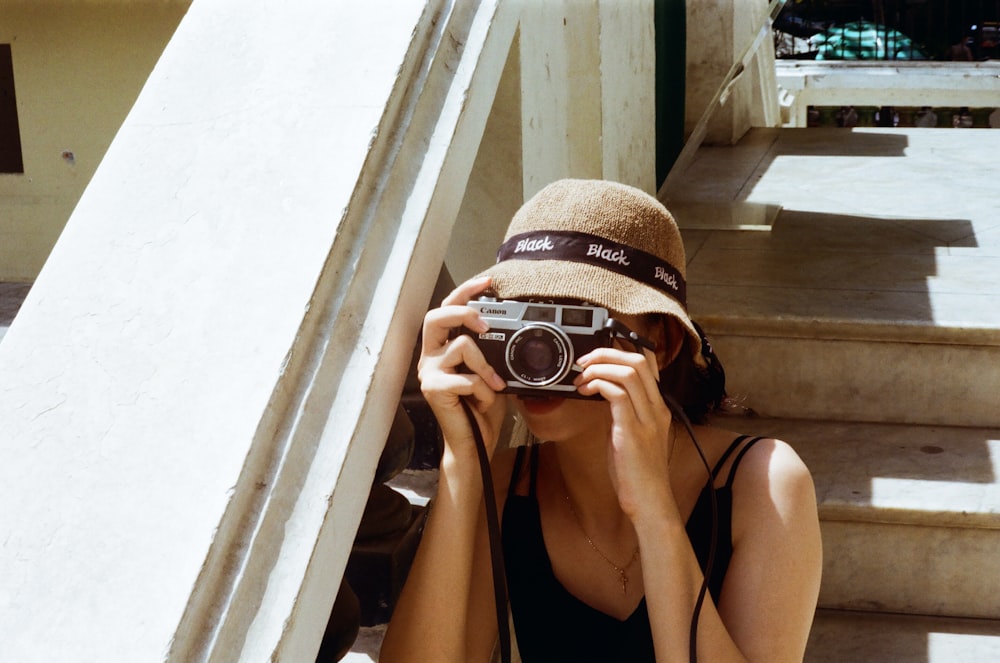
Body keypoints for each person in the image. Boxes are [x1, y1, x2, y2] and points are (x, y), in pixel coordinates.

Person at [380, 179, 822, 662]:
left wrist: (653, 508)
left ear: (665, 345)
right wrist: (464, 464)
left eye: (575, 321)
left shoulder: (763, 483)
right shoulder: (506, 487)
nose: (541, 351)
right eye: (523, 320)